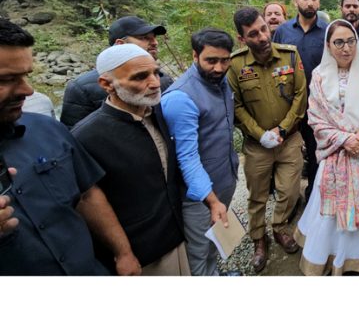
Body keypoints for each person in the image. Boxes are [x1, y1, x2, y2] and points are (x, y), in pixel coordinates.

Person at [0, 19, 140, 276]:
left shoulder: (48, 129)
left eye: (26, 75)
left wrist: (123, 252)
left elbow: (87, 195)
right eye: (7, 79)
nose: (28, 90)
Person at [71, 44, 189, 276]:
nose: (155, 83)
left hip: (176, 234)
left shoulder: (157, 112)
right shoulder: (86, 136)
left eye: (156, 73)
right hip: (140, 255)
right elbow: (88, 200)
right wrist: (122, 253)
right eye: (141, 77)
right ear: (106, 84)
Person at [295, 19, 359, 276]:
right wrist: (343, 140)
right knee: (327, 214)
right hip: (335, 154)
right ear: (328, 45)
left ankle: (353, 260)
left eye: (351, 41)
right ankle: (324, 258)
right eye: (338, 42)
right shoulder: (319, 76)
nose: (346, 48)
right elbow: (315, 117)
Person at [229, 7, 307, 273]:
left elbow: (300, 94)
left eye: (263, 29)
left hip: (290, 141)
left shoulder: (290, 55)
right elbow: (236, 106)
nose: (262, 36)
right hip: (256, 146)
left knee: (290, 191)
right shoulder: (235, 64)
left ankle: (280, 227)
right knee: (257, 197)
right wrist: (260, 134)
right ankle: (258, 239)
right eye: (253, 34)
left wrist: (283, 130)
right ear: (242, 39)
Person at [160, 28, 239, 276]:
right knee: (198, 250)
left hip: (224, 179)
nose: (218, 67)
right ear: (195, 56)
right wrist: (212, 200)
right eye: (211, 61)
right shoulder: (181, 98)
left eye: (224, 60)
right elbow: (187, 157)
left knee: (215, 241)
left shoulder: (221, 80)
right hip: (199, 196)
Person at [60, 15, 174, 128]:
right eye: (144, 38)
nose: (155, 42)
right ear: (120, 44)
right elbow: (75, 138)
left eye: (154, 37)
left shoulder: (164, 79)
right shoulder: (81, 88)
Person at [273, 0, 328, 202]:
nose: (310, 2)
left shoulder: (327, 32)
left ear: (318, 1)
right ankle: (286, 199)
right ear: (295, 1)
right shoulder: (283, 31)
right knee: (287, 154)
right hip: (288, 106)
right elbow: (274, 65)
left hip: (319, 107)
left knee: (317, 153)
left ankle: (313, 196)